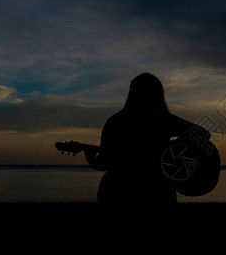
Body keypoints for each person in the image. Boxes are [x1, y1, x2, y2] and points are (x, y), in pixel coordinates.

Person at [83, 72, 211, 206]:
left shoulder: (115, 122)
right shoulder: (164, 119)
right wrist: (177, 150)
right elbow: (203, 134)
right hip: (158, 191)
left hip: (116, 192)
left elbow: (103, 164)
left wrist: (90, 157)